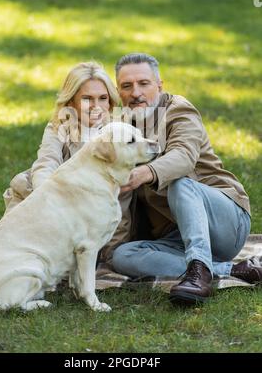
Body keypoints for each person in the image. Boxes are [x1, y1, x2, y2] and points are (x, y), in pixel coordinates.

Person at [111, 52, 262, 305]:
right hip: (177, 234)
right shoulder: (121, 127)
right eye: (127, 86)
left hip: (225, 223)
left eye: (143, 83)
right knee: (121, 256)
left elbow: (183, 157)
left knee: (180, 183)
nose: (135, 92)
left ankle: (199, 274)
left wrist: (143, 173)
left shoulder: (179, 110)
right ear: (119, 91)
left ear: (160, 85)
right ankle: (229, 270)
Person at [3, 61, 120, 214]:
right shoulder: (58, 127)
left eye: (103, 98)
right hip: (59, 201)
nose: (96, 105)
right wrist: (47, 198)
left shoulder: (119, 131)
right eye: (87, 99)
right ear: (71, 101)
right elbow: (46, 163)